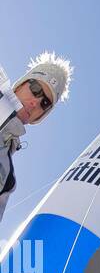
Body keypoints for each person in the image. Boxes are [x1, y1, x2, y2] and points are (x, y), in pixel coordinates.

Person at [0, 52, 73, 224]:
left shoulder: (8, 179)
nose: (35, 102)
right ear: (19, 86)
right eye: (35, 89)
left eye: (45, 103)